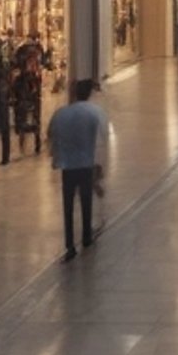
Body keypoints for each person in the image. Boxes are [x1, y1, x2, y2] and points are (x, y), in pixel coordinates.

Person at [47, 78, 107, 261]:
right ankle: (87, 236)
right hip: (85, 164)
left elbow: (51, 135)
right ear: (89, 94)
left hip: (68, 165)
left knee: (68, 205)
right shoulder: (93, 113)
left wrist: (56, 157)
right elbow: (100, 140)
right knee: (86, 201)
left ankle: (70, 244)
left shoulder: (61, 114)